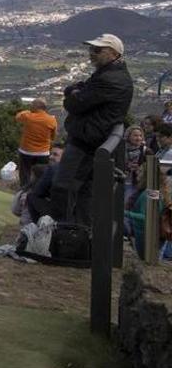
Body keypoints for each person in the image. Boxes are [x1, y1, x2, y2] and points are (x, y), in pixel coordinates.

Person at [50, 34, 134, 225]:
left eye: (97, 50)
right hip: (90, 140)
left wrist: (74, 94)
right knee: (84, 192)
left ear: (113, 53)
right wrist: (75, 91)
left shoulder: (109, 78)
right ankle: (79, 236)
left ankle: (63, 234)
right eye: (90, 49)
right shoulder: (109, 73)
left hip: (85, 142)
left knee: (63, 187)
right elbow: (77, 90)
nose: (91, 54)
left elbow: (74, 104)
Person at [14, 99, 58, 189]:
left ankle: (24, 192)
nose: (30, 106)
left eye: (32, 105)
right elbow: (53, 137)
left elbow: (17, 117)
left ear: (37, 107)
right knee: (41, 175)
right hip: (43, 153)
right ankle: (37, 193)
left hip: (26, 151)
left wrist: (26, 111)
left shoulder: (28, 116)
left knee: (25, 174)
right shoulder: (51, 120)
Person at [27, 144, 66, 223]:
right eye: (51, 154)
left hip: (59, 213)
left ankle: (40, 229)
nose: (50, 157)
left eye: (55, 155)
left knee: (31, 197)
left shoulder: (52, 169)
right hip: (76, 213)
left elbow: (38, 192)